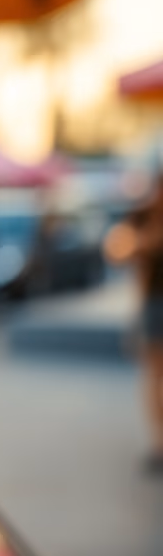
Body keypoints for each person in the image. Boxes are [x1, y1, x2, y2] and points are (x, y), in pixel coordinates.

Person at [119, 179, 163, 473]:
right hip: (156, 304)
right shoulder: (141, 217)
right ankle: (160, 444)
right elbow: (119, 253)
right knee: (155, 375)